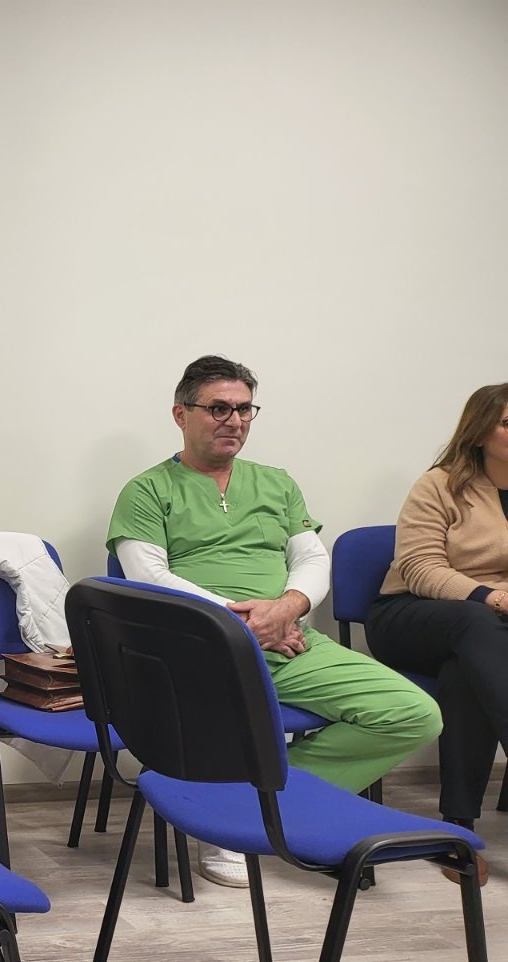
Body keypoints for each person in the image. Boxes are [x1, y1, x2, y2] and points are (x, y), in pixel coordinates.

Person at [106, 354, 442, 887]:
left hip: (288, 638)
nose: (235, 420)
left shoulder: (276, 483)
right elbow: (148, 576)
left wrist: (286, 608)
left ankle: (248, 805)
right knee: (221, 716)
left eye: (245, 409)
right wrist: (237, 622)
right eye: (219, 408)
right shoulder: (147, 490)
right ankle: (230, 820)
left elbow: (311, 557)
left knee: (413, 715)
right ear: (181, 414)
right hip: (198, 647)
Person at [366, 382, 508, 847]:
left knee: (465, 671)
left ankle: (458, 828)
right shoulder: (440, 485)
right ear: (480, 432)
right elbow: (420, 568)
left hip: (487, 635)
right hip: (410, 615)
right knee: (476, 622)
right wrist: (492, 597)